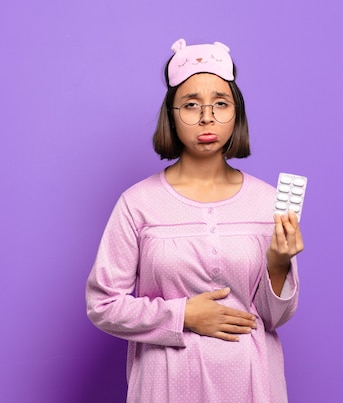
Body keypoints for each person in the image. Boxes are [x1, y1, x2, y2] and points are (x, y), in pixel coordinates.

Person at [86, 38, 304, 403]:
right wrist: (182, 315)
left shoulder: (267, 202)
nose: (207, 117)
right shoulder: (138, 204)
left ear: (237, 113)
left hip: (251, 384)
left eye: (221, 103)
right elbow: (103, 305)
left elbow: (273, 317)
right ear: (171, 114)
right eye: (191, 105)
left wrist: (279, 263)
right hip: (168, 385)